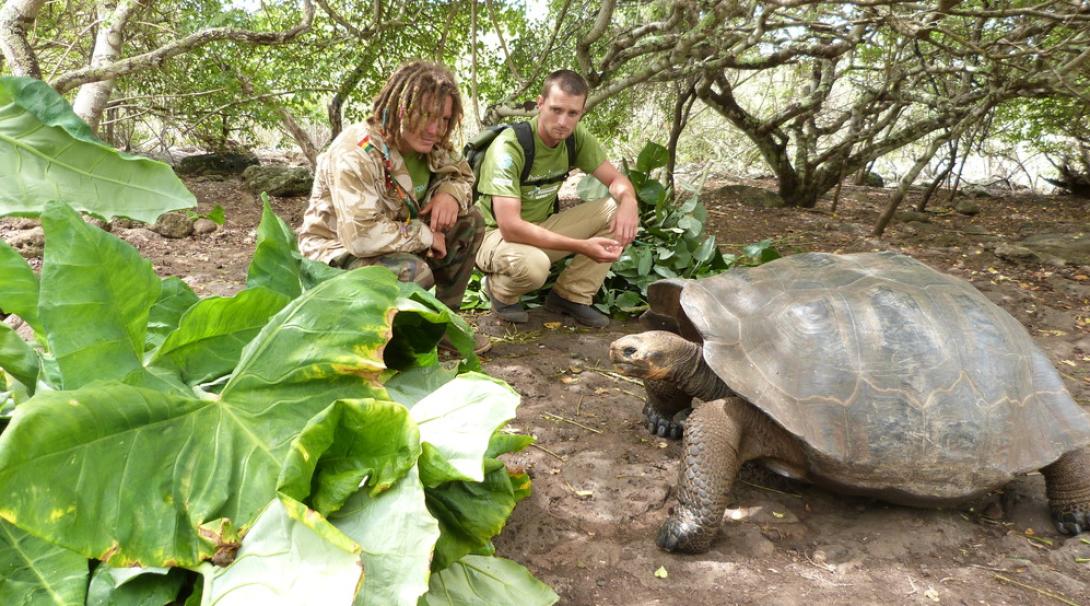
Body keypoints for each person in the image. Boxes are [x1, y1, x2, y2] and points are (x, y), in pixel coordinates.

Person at [298, 60, 489, 352]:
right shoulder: (356, 152)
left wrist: (449, 194)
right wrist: (426, 235)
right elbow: (361, 238)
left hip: (399, 238)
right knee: (413, 272)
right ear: (400, 107)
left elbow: (464, 176)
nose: (434, 129)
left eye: (444, 120)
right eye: (425, 115)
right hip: (337, 252)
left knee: (470, 222)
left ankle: (442, 323)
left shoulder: (436, 144)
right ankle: (379, 342)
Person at [474, 69, 638, 327]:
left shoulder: (575, 139)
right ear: (540, 104)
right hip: (495, 236)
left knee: (617, 208)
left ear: (581, 113)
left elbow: (617, 181)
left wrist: (629, 202)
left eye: (572, 113)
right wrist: (582, 246)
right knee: (535, 267)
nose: (563, 121)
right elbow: (510, 227)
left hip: (542, 225)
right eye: (556, 110)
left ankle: (571, 295)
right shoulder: (510, 146)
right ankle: (500, 290)